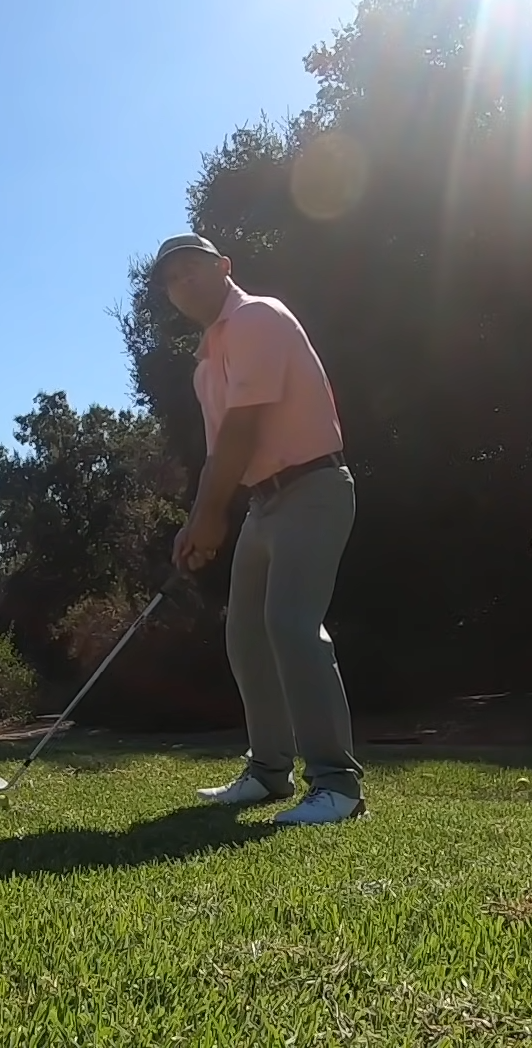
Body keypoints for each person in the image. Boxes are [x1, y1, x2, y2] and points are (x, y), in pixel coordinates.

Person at [149, 232, 366, 826]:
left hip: (313, 488)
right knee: (246, 635)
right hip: (264, 504)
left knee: (291, 625)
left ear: (223, 267)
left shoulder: (256, 318)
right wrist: (200, 519)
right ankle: (269, 772)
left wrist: (209, 517)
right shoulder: (204, 362)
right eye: (170, 280)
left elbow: (245, 430)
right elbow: (223, 452)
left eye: (191, 270)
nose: (181, 285)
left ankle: (338, 785)